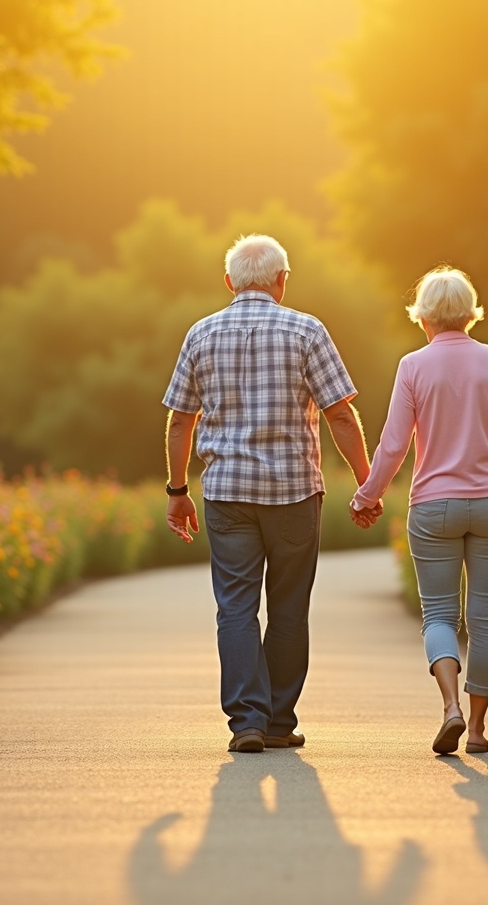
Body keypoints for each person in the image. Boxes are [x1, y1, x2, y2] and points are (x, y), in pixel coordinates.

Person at [161, 234, 378, 754]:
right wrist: (368, 484)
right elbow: (340, 415)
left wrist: (177, 489)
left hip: (227, 494)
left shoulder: (200, 333)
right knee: (288, 609)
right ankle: (278, 720)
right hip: (294, 495)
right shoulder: (307, 330)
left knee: (235, 607)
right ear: (282, 281)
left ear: (229, 281)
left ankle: (246, 722)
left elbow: (181, 420)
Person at [350, 268, 488, 755]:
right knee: (485, 618)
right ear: (469, 314)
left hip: (434, 506)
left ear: (423, 318)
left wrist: (366, 496)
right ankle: (477, 729)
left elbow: (394, 445)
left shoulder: (413, 366)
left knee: (439, 614)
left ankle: (450, 707)